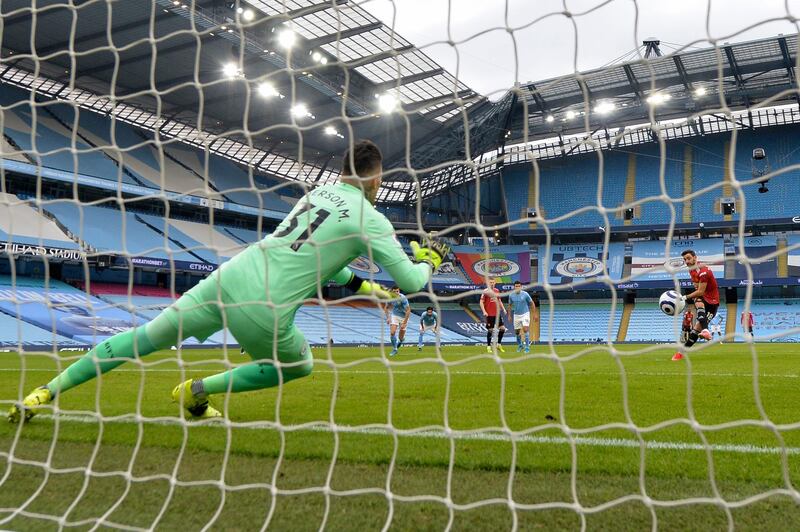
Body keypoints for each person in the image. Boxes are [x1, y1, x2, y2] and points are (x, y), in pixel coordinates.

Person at [9, 140, 450, 423]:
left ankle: (44, 393)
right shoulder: (369, 218)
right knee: (298, 365)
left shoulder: (316, 195)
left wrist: (368, 289)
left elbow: (329, 265)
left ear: (342, 174)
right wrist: (428, 259)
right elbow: (412, 280)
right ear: (376, 179)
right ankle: (197, 390)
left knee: (143, 337)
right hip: (266, 305)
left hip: (232, 275)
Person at [672, 249, 720, 361]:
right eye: (685, 259)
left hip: (713, 301)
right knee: (696, 329)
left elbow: (700, 291)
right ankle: (681, 353)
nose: (687, 261)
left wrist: (684, 297)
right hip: (703, 298)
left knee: (697, 327)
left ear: (695, 257)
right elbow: (697, 288)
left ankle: (705, 330)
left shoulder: (704, 271)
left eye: (688, 258)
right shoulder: (691, 271)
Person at [480, 278, 507, 353]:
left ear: (495, 283)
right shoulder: (485, 291)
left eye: (493, 282)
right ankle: (488, 346)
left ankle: (498, 344)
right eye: (490, 282)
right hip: (489, 314)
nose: (492, 283)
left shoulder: (497, 291)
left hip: (497, 314)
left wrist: (504, 309)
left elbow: (499, 300)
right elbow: (481, 302)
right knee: (491, 330)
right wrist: (484, 311)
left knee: (502, 329)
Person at [508, 281, 535, 352]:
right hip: (516, 315)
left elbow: (532, 303)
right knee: (517, 332)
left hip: (525, 314)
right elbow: (510, 305)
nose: (517, 287)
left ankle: (527, 347)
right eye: (516, 286)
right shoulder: (511, 295)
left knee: (525, 329)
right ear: (514, 287)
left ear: (521, 287)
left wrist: (534, 314)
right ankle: (520, 345)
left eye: (518, 286)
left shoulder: (525, 294)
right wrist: (509, 315)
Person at [385, 286, 410, 356]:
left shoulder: (403, 298)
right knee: (392, 332)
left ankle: (401, 341)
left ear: (399, 292)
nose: (396, 293)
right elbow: (386, 308)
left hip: (404, 317)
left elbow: (408, 310)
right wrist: (388, 318)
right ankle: (395, 349)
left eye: (397, 291)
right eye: (394, 291)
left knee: (400, 337)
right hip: (395, 315)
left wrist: (404, 323)